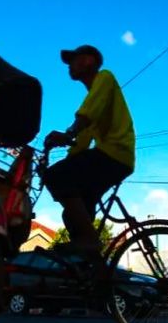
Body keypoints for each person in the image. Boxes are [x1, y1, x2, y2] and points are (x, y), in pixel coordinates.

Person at [44, 45, 135, 266]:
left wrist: (69, 134)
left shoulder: (105, 78)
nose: (69, 66)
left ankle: (89, 242)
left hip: (114, 154)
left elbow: (84, 119)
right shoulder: (94, 98)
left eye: (73, 60)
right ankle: (93, 269)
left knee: (57, 177)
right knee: (73, 214)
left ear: (88, 61)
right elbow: (81, 142)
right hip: (113, 158)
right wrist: (64, 151)